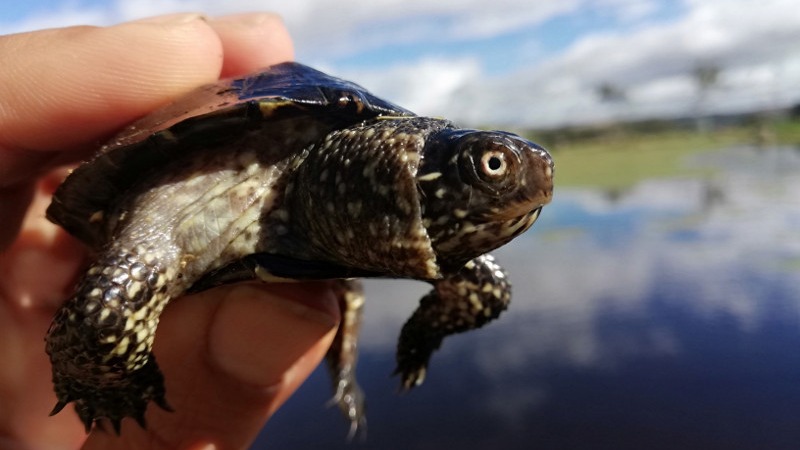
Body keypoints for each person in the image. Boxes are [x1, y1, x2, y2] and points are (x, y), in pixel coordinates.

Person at [0, 12, 340, 450]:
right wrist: (101, 376)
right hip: (170, 202)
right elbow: (98, 315)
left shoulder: (384, 206)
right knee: (106, 315)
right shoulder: (216, 174)